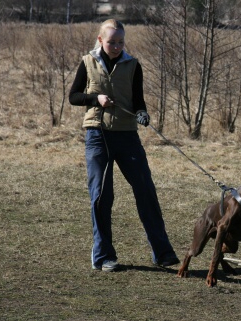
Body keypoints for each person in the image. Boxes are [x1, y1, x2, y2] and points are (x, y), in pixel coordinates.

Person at [69, 19, 179, 272]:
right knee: (101, 196)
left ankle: (163, 253)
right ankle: (103, 256)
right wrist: (95, 98)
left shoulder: (133, 65)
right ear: (100, 40)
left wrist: (142, 113)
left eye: (120, 42)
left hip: (128, 136)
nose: (116, 46)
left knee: (146, 191)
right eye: (111, 42)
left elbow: (138, 100)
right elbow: (74, 96)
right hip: (98, 136)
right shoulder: (88, 62)